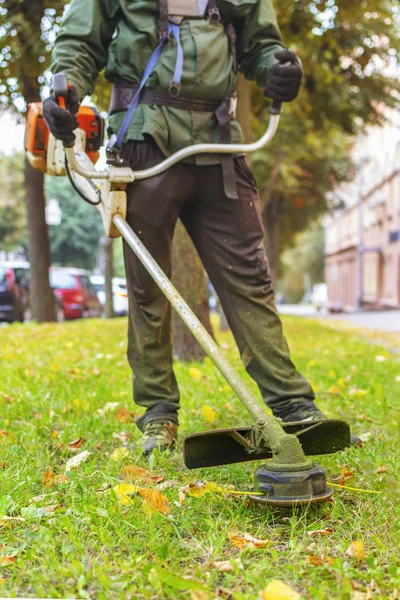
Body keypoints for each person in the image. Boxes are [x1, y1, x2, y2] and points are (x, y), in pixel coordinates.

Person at [43, 0, 350, 456]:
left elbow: (260, 45)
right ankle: (159, 416)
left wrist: (277, 69)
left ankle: (292, 406)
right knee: (148, 287)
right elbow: (80, 44)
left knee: (250, 279)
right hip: (144, 138)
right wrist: (66, 89)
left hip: (220, 138)